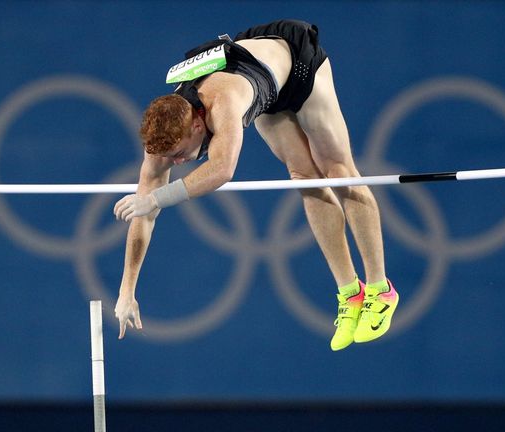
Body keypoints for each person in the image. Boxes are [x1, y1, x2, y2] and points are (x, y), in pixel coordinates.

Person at [113, 20, 398, 351]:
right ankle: (351, 294)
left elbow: (221, 170)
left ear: (196, 124)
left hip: (295, 63)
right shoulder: (161, 142)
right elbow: (144, 216)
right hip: (260, 75)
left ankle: (380, 290)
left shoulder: (224, 103)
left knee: (338, 171)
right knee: (304, 177)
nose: (177, 163)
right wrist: (126, 291)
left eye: (179, 154)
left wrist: (159, 198)